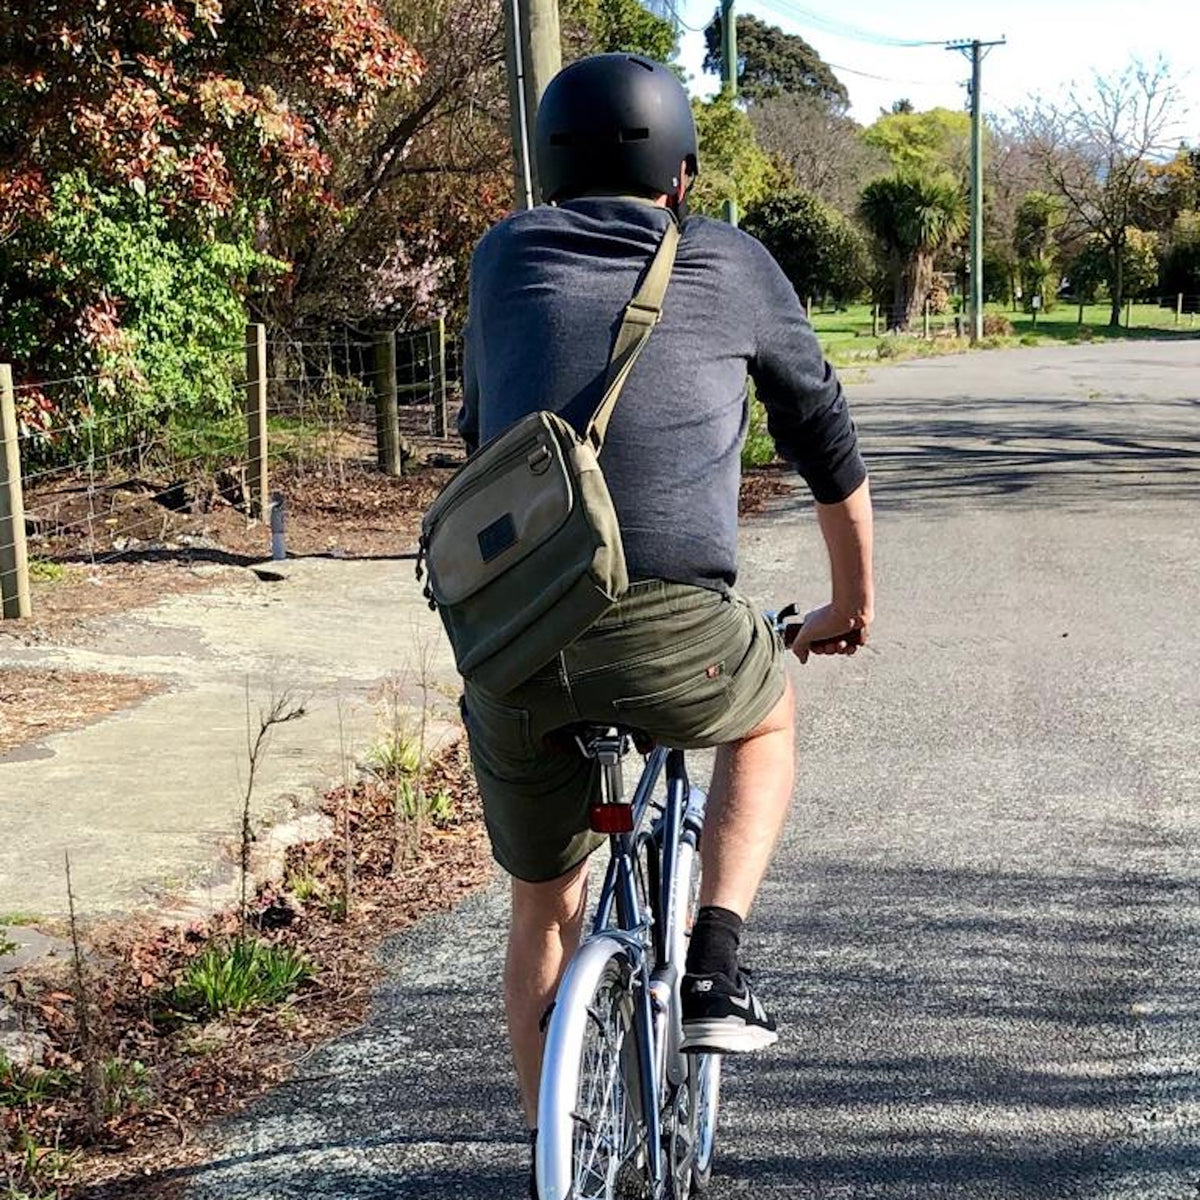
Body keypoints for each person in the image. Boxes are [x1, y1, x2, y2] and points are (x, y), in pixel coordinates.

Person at [456, 51, 874, 1174]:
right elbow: (821, 436)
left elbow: (480, 435)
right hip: (677, 634)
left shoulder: (498, 258)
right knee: (768, 714)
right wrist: (850, 603)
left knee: (544, 909)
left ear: (551, 169)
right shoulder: (732, 261)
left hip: (513, 644)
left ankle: (558, 1146)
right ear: (680, 172)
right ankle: (715, 965)